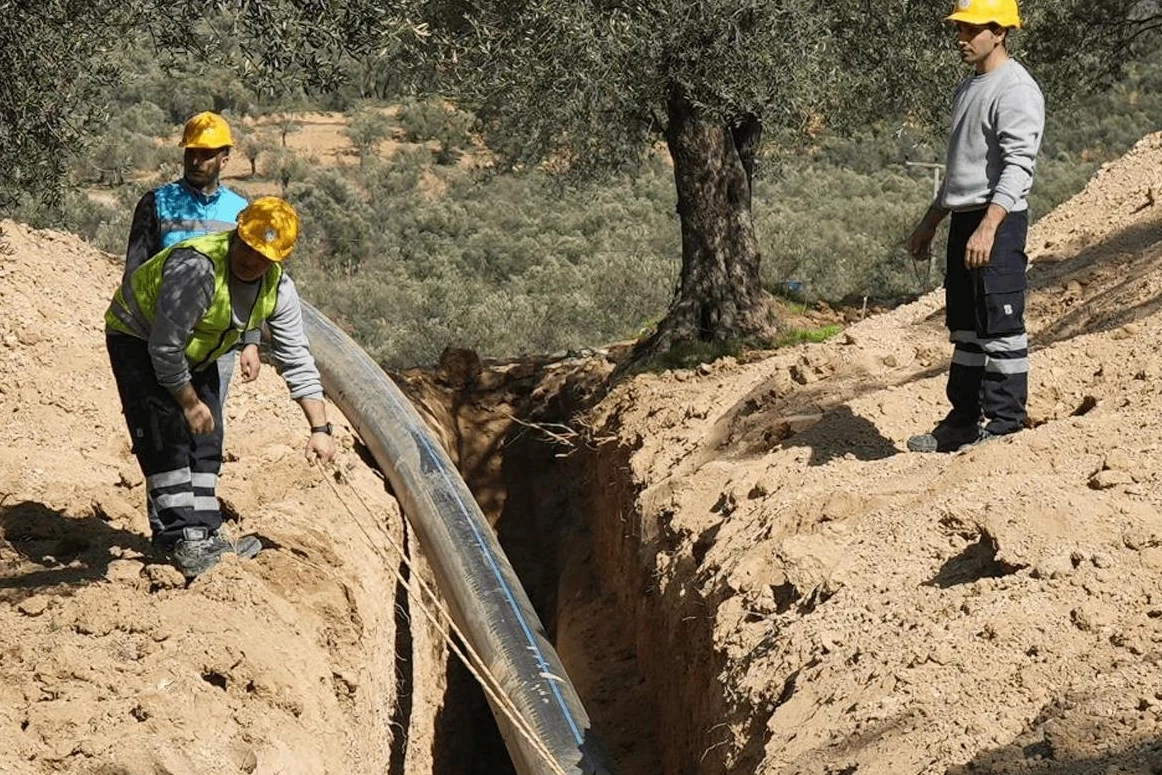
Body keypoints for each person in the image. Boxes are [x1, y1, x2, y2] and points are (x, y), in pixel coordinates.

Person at [105, 196, 337, 578]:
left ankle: (205, 532)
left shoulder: (279, 289)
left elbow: (297, 357)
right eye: (247, 246)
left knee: (208, 439)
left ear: (280, 259)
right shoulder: (198, 268)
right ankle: (179, 540)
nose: (251, 260)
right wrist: (188, 401)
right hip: (137, 336)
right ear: (237, 231)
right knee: (165, 435)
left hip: (198, 350)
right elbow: (164, 348)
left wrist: (320, 429)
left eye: (263, 255)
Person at [906, 0, 1044, 453]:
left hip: (997, 222)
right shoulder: (970, 86)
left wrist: (989, 227)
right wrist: (931, 221)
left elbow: (1019, 166)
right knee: (966, 328)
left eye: (971, 30)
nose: (961, 39)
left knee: (1000, 326)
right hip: (968, 220)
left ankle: (1004, 427)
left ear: (999, 32)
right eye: (960, 29)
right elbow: (961, 171)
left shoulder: (1015, 88)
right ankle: (963, 422)